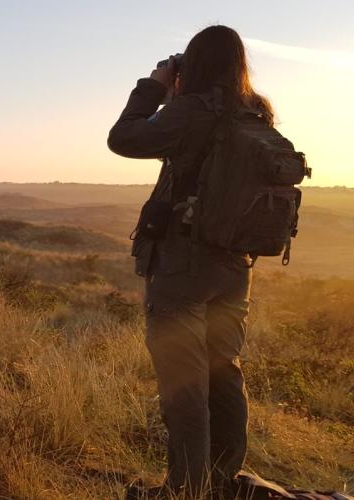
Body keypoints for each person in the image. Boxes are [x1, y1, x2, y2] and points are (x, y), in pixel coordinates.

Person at [108, 26, 276, 498]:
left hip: (183, 265)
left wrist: (155, 87)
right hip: (235, 266)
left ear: (193, 65)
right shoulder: (256, 113)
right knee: (224, 370)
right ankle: (221, 481)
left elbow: (123, 138)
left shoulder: (192, 110)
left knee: (184, 386)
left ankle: (185, 490)